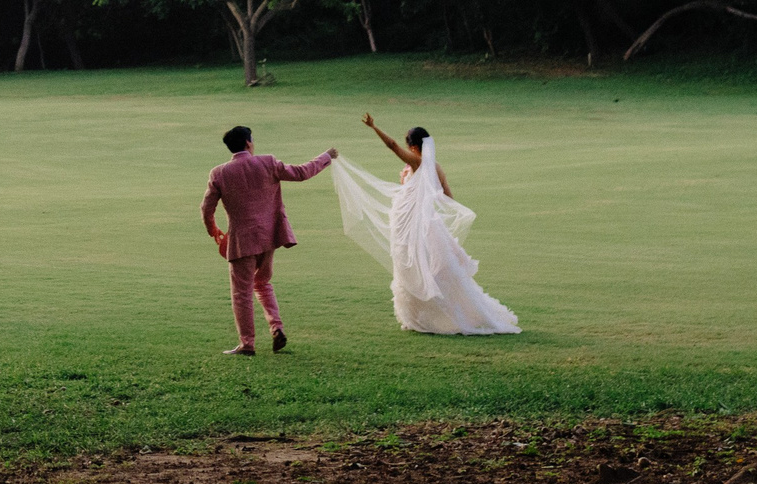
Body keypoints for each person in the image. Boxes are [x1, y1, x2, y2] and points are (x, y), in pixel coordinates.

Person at [329, 112, 520, 336]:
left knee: (411, 265)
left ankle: (424, 315)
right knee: (430, 266)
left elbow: (392, 146)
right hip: (422, 221)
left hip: (410, 223)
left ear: (413, 147)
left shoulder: (417, 163)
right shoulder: (435, 167)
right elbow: (448, 197)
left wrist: (374, 127)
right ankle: (434, 312)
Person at [200, 124, 337, 356]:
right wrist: (326, 157)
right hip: (268, 237)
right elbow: (301, 173)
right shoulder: (267, 162)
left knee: (242, 293)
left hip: (241, 241)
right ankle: (276, 327)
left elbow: (206, 208)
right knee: (262, 283)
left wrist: (213, 230)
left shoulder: (219, 173)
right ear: (248, 143)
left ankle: (247, 343)